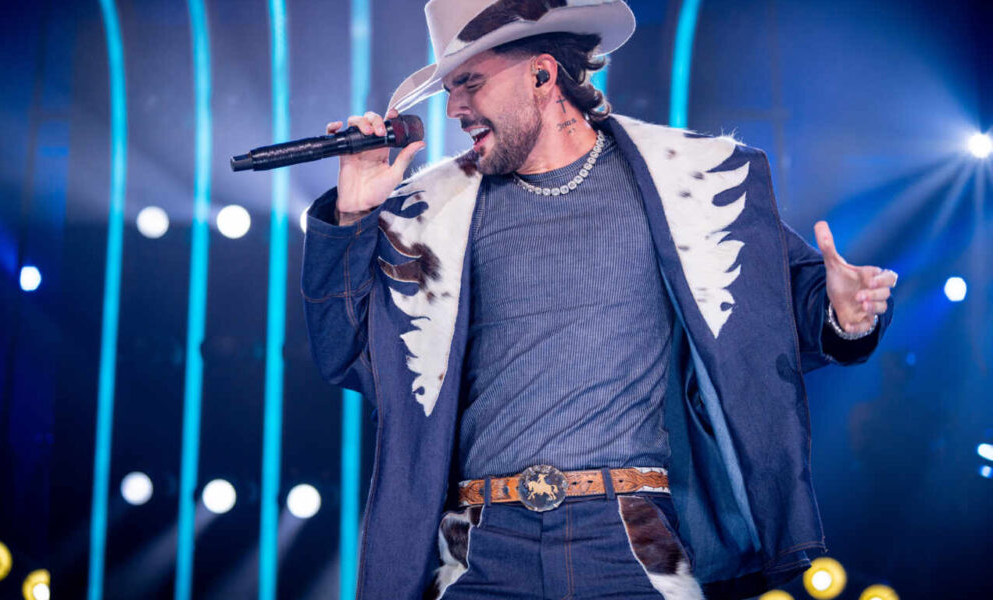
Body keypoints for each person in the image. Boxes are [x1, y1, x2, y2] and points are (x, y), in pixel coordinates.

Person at [301, 1, 897, 598]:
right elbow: (349, 353)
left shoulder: (686, 182)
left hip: (631, 542)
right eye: (451, 89)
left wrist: (845, 312)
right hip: (481, 549)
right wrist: (352, 216)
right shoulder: (430, 215)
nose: (453, 108)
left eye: (471, 84)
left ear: (542, 75)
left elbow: (790, 303)